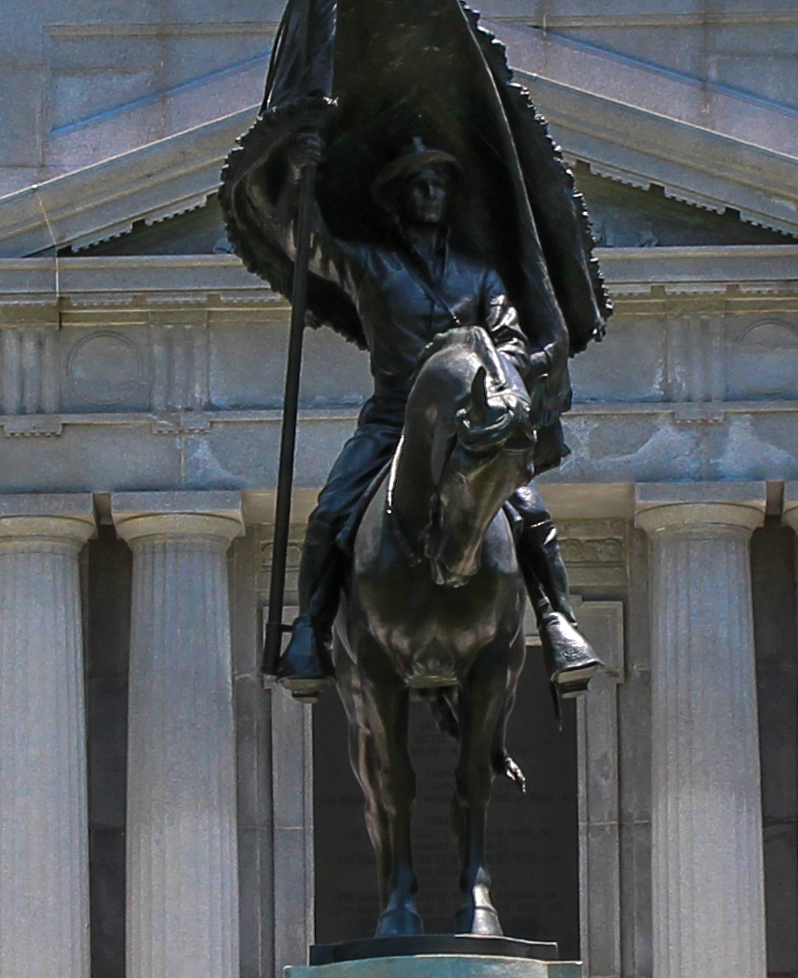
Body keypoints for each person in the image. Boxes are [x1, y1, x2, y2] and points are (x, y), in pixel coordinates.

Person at [237, 123, 598, 696]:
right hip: (392, 419)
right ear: (397, 198)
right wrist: (293, 177)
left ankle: (558, 622)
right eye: (418, 184)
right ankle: (308, 630)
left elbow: (507, 339)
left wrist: (512, 370)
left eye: (438, 183)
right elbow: (306, 244)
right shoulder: (372, 266)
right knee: (330, 515)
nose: (430, 193)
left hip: (471, 419)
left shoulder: (478, 273)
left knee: (531, 515)